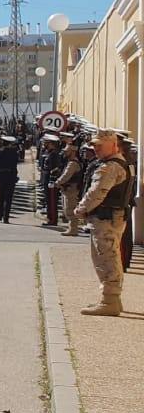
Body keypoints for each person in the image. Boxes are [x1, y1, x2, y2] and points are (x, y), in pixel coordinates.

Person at [72, 128, 133, 317]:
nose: (95, 148)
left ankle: (110, 301)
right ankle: (111, 299)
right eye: (94, 145)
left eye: (99, 145)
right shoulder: (121, 162)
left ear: (113, 145)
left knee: (106, 258)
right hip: (112, 217)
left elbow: (96, 193)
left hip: (106, 219)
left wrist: (80, 210)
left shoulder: (110, 167)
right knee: (109, 255)